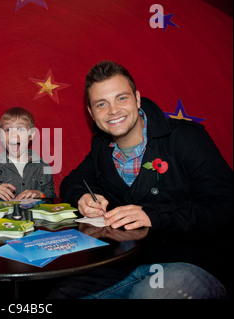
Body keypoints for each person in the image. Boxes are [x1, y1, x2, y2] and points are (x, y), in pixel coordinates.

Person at [52, 61, 233, 299]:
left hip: (194, 260)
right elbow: (73, 181)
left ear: (137, 99)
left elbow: (225, 207)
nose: (113, 110)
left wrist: (153, 215)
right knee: (58, 294)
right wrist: (83, 197)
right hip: (124, 261)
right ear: (91, 112)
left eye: (121, 98)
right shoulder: (101, 148)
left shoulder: (186, 139)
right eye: (101, 104)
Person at [0, 107, 56, 201]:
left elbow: (54, 201)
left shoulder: (43, 167)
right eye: (8, 130)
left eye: (21, 129)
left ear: (31, 135)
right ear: (1, 136)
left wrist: (40, 195)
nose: (13, 134)